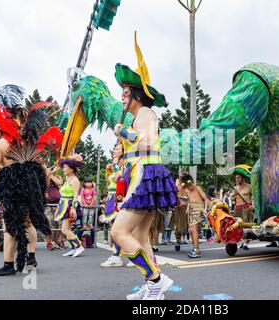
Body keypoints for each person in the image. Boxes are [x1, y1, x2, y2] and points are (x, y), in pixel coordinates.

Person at [111, 35, 178, 300]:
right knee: (141, 235)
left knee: (118, 232)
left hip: (147, 174)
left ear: (136, 95)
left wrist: (124, 133)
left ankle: (156, 279)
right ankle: (152, 288)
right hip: (143, 173)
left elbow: (148, 141)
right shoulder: (139, 116)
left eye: (125, 93)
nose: (122, 97)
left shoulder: (145, 114)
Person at [0, 104, 61, 276]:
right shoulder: (29, 144)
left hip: (13, 186)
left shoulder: (0, 144)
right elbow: (44, 169)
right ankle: (30, 257)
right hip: (32, 185)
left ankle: (9, 264)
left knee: (9, 224)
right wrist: (44, 190)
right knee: (28, 222)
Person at [100, 141, 133, 268]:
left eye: (117, 148)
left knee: (123, 229)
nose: (114, 150)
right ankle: (116, 256)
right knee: (114, 228)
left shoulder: (127, 164)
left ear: (124, 151)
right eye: (114, 148)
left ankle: (129, 255)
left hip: (121, 197)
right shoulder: (114, 165)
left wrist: (116, 167)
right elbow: (110, 182)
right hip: (112, 197)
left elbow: (121, 178)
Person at [54, 154, 85, 258]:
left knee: (65, 230)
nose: (64, 169)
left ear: (72, 169)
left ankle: (79, 246)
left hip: (69, 206)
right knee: (68, 229)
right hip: (64, 205)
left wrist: (73, 209)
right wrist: (58, 208)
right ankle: (73, 249)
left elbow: (76, 196)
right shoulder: (67, 179)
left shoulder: (75, 180)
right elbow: (62, 196)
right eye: (64, 167)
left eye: (66, 167)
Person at [180, 174, 210, 258]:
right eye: (188, 186)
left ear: (193, 182)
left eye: (191, 185)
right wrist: (187, 208)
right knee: (190, 230)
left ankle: (196, 249)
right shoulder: (186, 190)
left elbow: (206, 199)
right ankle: (195, 248)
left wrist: (205, 209)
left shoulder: (198, 188)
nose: (190, 187)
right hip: (191, 212)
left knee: (193, 229)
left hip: (199, 210)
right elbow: (187, 200)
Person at [44, 166, 63, 250]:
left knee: (57, 223)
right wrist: (46, 175)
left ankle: (56, 242)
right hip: (46, 203)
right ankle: (48, 242)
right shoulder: (40, 176)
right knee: (48, 221)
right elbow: (45, 186)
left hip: (57, 202)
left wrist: (50, 174)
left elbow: (59, 183)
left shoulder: (54, 176)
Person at [170, 170, 190, 247]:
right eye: (183, 176)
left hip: (186, 207)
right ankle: (178, 240)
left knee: (186, 226)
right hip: (179, 207)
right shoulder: (177, 183)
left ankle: (181, 239)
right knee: (178, 225)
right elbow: (174, 193)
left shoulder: (188, 184)